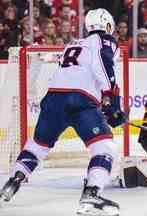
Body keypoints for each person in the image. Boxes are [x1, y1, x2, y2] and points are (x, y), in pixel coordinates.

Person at [0, 8, 125, 216]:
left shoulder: (73, 44)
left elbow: (76, 72)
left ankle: (11, 184)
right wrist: (113, 101)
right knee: (105, 148)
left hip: (53, 99)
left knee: (37, 146)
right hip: (80, 101)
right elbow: (103, 66)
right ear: (108, 25)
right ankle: (91, 195)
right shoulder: (106, 41)